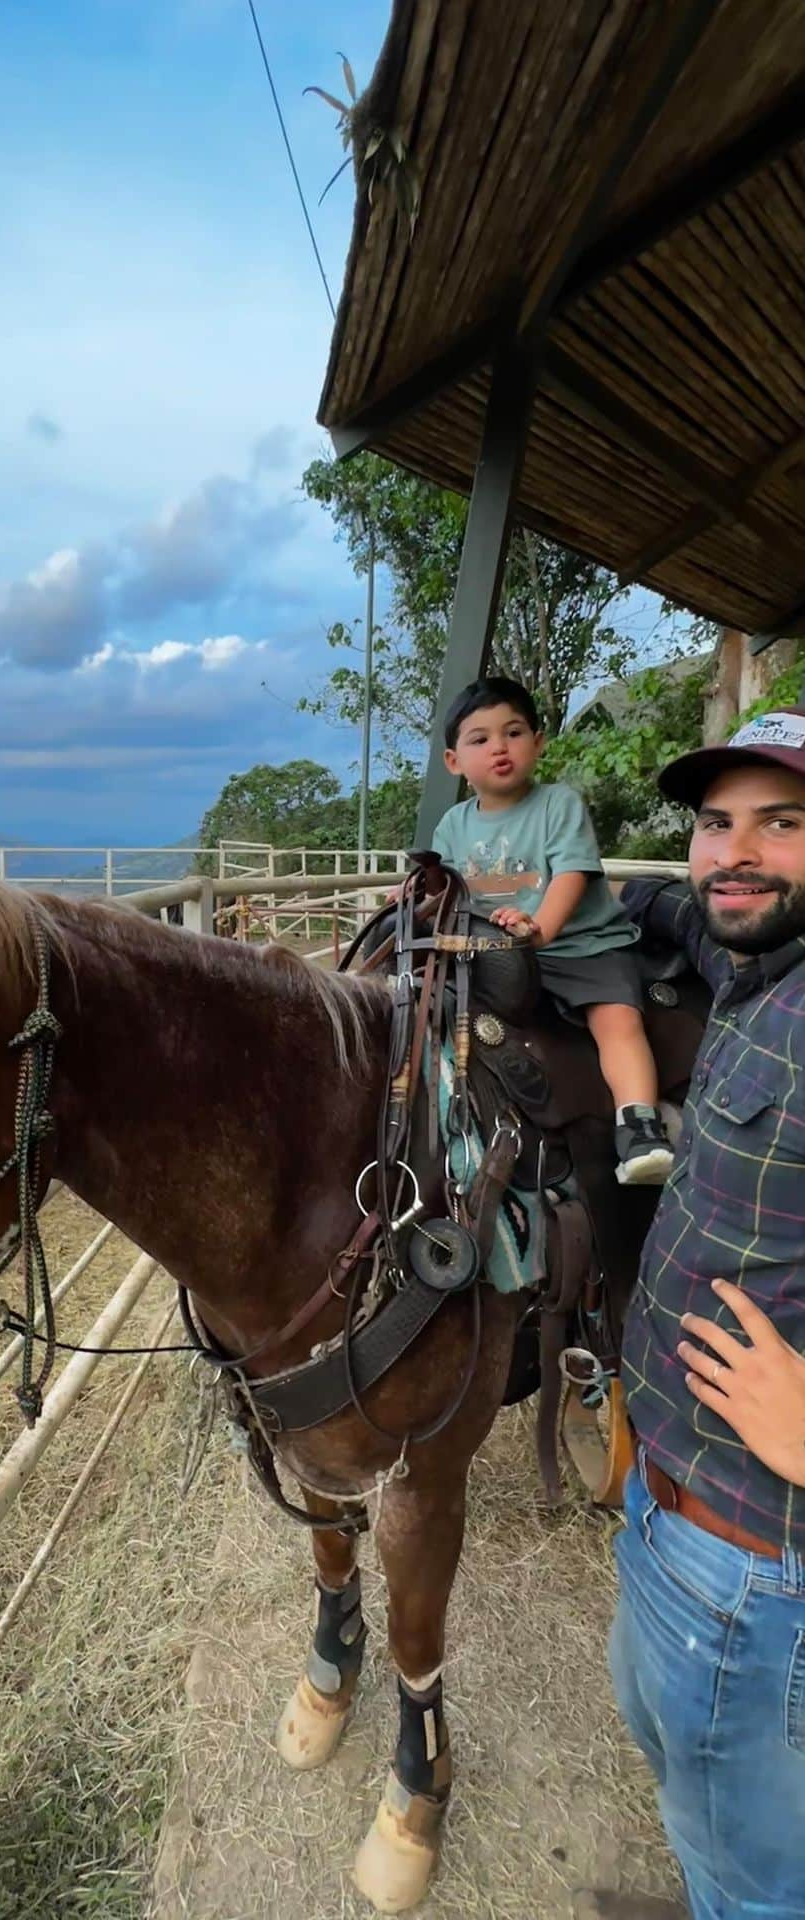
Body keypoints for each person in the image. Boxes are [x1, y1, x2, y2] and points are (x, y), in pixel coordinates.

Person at [575, 705, 805, 1920]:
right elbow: (685, 912)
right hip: (670, 1515)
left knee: (757, 1878)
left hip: (758, 1567)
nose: (736, 853)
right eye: (717, 825)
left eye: (783, 821)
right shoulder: (758, 964)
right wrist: (571, 883)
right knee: (693, 1796)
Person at [432, 675, 673, 1183]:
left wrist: (539, 928)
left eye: (514, 733)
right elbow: (446, 885)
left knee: (617, 1019)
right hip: (498, 954)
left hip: (580, 945)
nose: (499, 747)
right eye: (480, 739)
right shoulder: (454, 824)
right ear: (454, 761)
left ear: (538, 743)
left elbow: (570, 873)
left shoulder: (556, 804)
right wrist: (417, 894)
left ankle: (639, 1124)